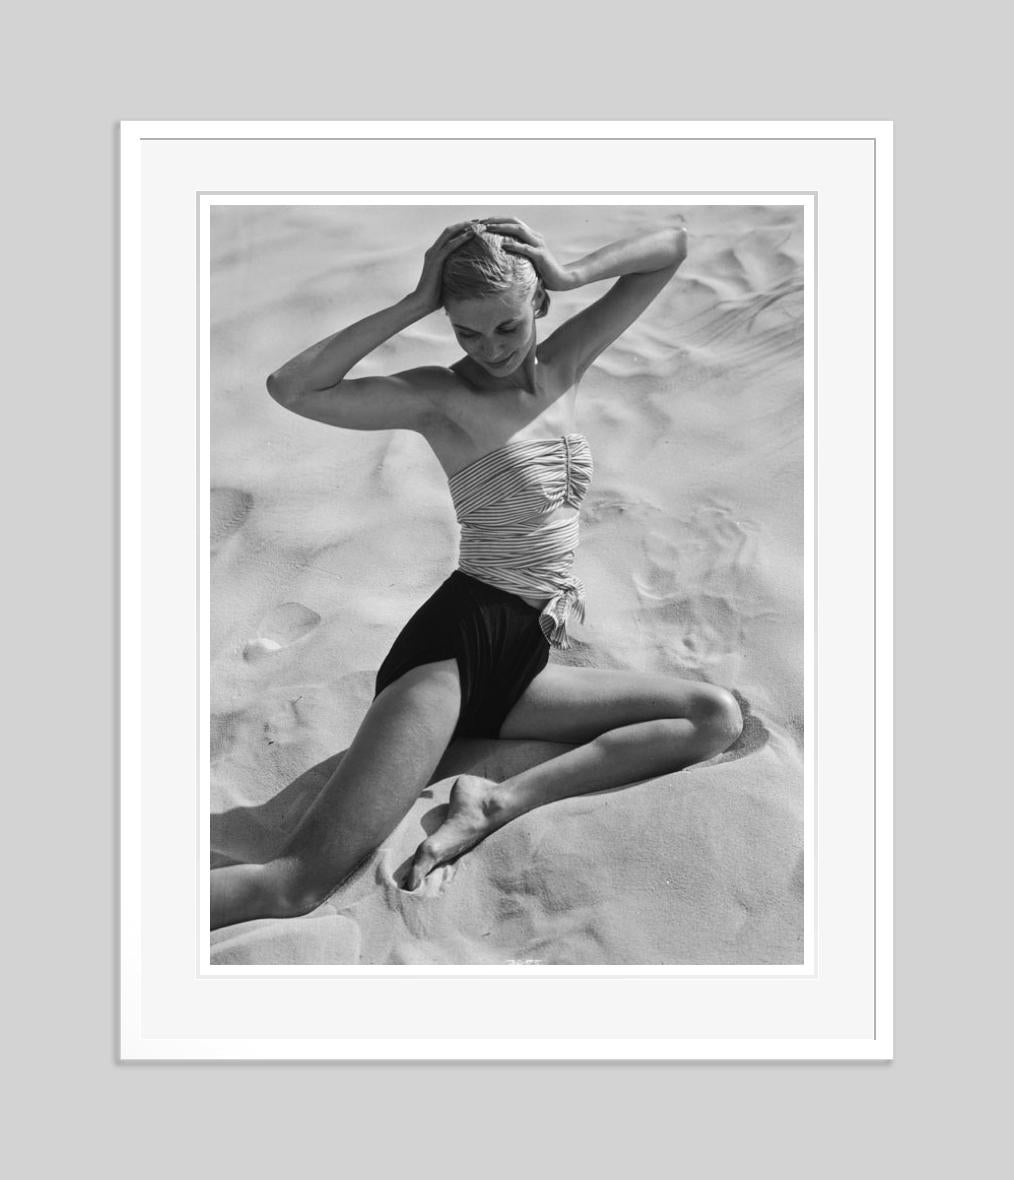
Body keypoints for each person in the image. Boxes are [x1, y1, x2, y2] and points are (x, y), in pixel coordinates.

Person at [210, 216, 743, 931]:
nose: (489, 350)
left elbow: (672, 245)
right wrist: (412, 303)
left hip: (523, 656)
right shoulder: (440, 396)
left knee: (711, 716)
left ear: (540, 308)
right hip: (451, 655)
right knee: (293, 885)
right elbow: (293, 387)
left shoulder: (561, 369)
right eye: (467, 332)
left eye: (506, 328)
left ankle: (499, 801)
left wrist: (570, 270)